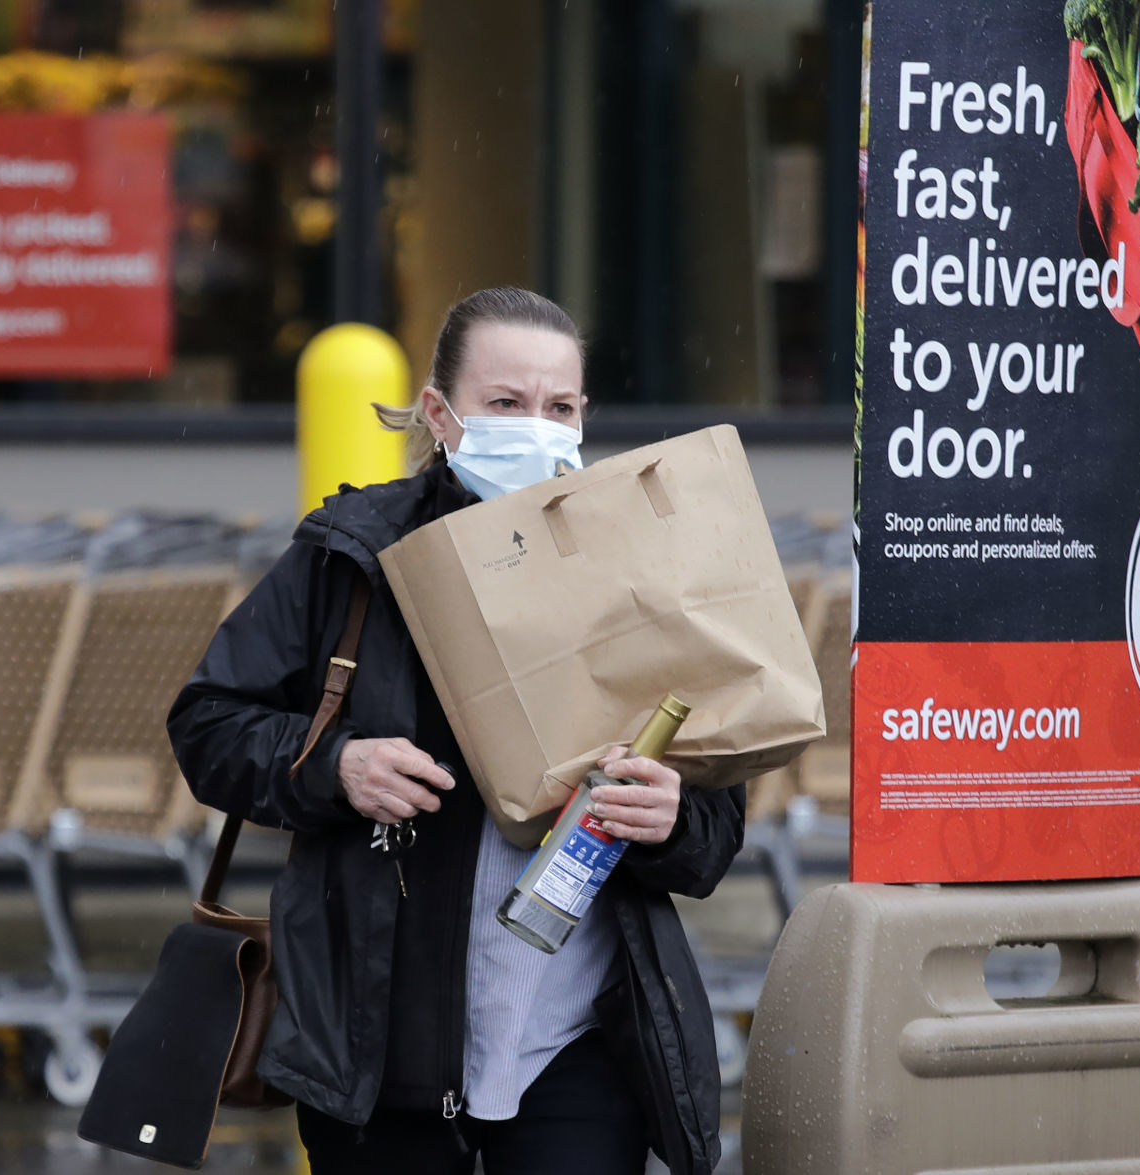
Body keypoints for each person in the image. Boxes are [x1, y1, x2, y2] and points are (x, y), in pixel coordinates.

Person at [168, 287, 744, 1175]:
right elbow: (209, 721)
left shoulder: (635, 565)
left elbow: (714, 811)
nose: (537, 429)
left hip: (576, 1035)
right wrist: (334, 764)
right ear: (440, 413)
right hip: (379, 1043)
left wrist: (672, 816)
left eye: (559, 408)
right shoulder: (352, 555)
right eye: (505, 404)